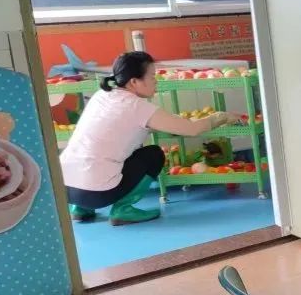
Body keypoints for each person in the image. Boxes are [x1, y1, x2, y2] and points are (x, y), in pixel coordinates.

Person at [60, 51, 231, 225]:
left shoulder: (101, 95)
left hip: (65, 188)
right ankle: (122, 210)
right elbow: (192, 129)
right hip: (97, 194)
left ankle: (80, 209)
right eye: (152, 76)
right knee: (153, 155)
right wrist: (221, 117)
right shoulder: (138, 107)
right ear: (134, 81)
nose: (156, 81)